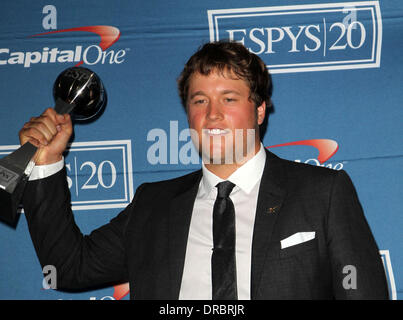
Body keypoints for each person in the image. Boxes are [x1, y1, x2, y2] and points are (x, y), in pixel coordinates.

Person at [19, 40, 388, 299]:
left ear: (259, 111)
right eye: (200, 101)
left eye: (229, 99)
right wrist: (47, 162)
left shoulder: (322, 192)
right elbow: (67, 268)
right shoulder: (154, 205)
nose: (212, 114)